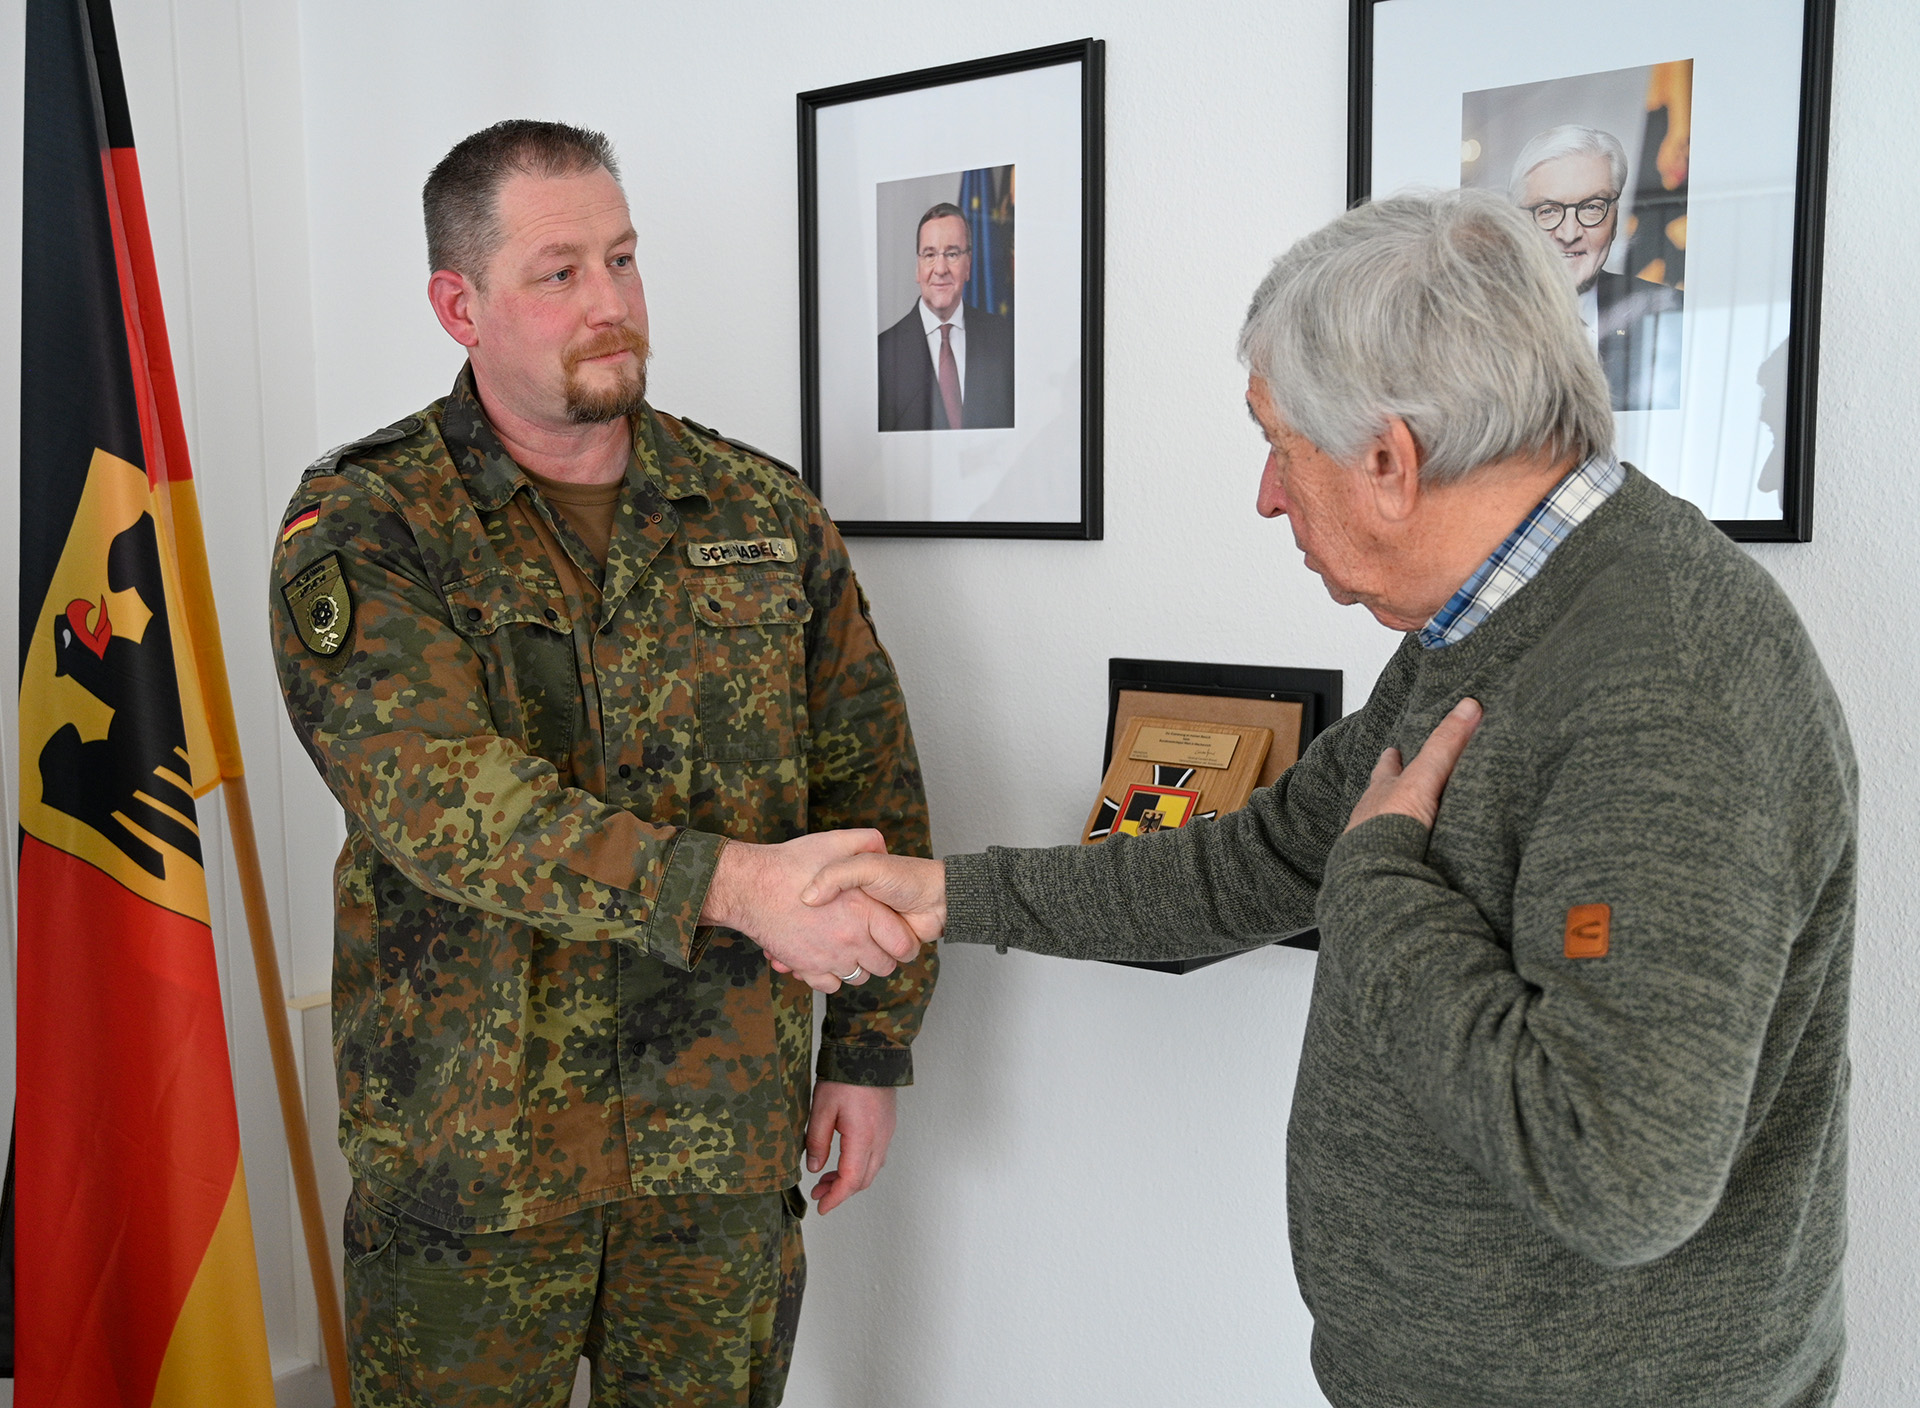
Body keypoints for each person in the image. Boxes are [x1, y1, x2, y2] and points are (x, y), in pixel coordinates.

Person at [806, 190, 1855, 1407]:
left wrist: (1380, 884)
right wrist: (947, 893)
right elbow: (1255, 862)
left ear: (1389, 460)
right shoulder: (1496, 617)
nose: (1265, 493)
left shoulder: (1664, 690)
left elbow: (1615, 1175)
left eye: (1277, 441)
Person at [269, 119, 937, 1407]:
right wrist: (734, 886)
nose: (611, 304)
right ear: (458, 305)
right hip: (476, 1163)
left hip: (717, 1150)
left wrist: (868, 1047)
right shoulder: (366, 521)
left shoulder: (758, 510)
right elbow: (443, 801)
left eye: (624, 262)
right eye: (560, 271)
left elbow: (875, 788)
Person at [1510, 124, 1684, 411]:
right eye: (1548, 211)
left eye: (1592, 207)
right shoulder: (1472, 324)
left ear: (1615, 217)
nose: (1569, 234)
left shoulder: (1667, 311)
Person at [877, 201, 1014, 431]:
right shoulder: (882, 353)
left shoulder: (1005, 340)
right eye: (929, 255)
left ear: (968, 265)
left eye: (951, 254)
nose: (940, 269)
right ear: (917, 268)